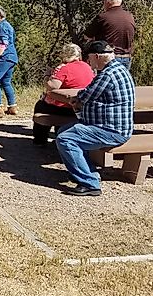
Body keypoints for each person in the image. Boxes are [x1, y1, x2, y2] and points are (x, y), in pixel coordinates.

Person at [56, 40, 135, 196]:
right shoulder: (118, 68)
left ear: (97, 56)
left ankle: (89, 183)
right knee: (64, 130)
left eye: (90, 58)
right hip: (112, 126)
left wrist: (74, 99)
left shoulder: (108, 74)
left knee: (66, 139)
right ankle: (89, 172)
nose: (89, 62)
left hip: (111, 130)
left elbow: (86, 96)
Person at [31, 43, 95, 145]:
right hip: (81, 107)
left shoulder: (64, 68)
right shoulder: (87, 67)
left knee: (40, 105)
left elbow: (52, 86)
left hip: (65, 106)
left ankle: (40, 139)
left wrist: (47, 76)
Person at [84, 0, 135, 71]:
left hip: (109, 57)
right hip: (126, 57)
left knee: (106, 82)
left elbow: (87, 36)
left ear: (107, 2)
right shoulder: (130, 16)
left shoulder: (103, 17)